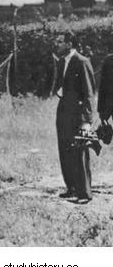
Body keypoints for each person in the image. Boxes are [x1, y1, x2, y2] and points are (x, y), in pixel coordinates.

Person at [52, 32, 96, 204]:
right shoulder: (62, 61)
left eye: (60, 42)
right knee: (65, 150)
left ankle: (84, 193)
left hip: (79, 115)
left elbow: (90, 94)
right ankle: (71, 188)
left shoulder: (82, 61)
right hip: (64, 113)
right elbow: (60, 85)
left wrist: (87, 121)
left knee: (80, 152)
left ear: (70, 43)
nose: (57, 44)